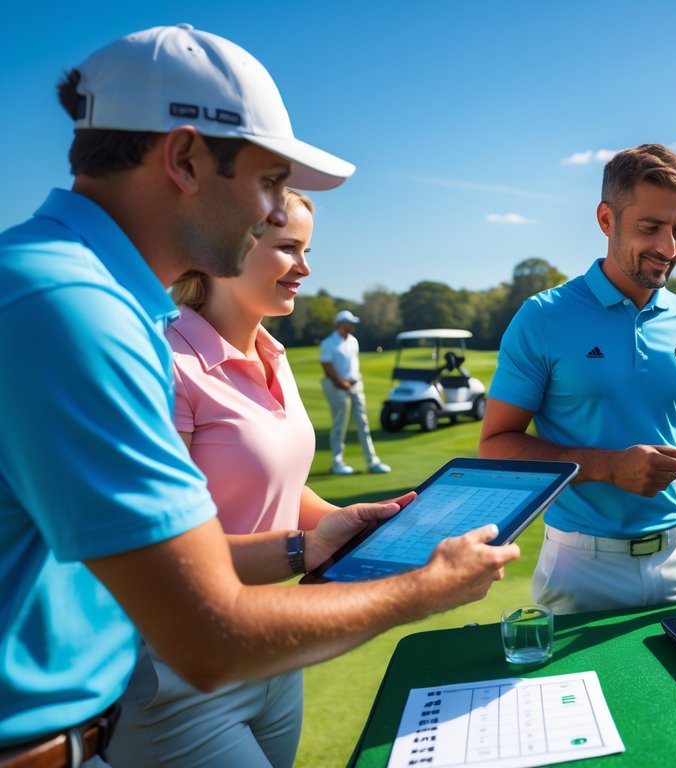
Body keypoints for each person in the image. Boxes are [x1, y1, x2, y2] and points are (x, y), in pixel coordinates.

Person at [0, 25, 517, 765]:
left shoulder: (80, 294)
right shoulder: (69, 309)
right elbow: (210, 635)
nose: (274, 210)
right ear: (184, 158)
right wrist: (426, 589)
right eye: (270, 180)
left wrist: (314, 538)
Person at [107, 190, 352, 766]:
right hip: (180, 671)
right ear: (225, 247)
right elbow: (165, 558)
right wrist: (306, 548)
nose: (304, 268)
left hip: (271, 647)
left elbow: (275, 488)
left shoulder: (273, 354)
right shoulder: (165, 362)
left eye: (308, 250)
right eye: (288, 248)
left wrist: (364, 524)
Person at [479, 144, 676, 615]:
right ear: (606, 219)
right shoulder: (543, 317)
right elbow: (496, 445)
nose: (668, 248)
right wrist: (610, 466)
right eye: (649, 227)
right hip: (580, 565)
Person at [320, 309, 389, 475]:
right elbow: (326, 366)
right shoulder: (328, 343)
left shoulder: (353, 341)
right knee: (340, 425)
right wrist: (340, 383)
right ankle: (337, 463)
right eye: (350, 323)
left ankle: (372, 461)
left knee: (363, 423)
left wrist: (352, 382)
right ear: (341, 324)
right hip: (336, 386)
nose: (353, 326)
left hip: (356, 385)